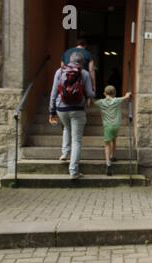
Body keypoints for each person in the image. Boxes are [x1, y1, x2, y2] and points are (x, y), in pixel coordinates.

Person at [49, 52, 95, 180]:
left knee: (66, 128)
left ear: (70, 60)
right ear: (82, 62)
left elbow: (53, 93)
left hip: (61, 108)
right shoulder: (84, 73)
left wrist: (51, 112)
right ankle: (73, 171)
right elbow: (90, 94)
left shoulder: (59, 71)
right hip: (78, 110)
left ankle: (64, 153)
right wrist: (91, 93)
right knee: (77, 140)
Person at [93, 86, 131, 176]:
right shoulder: (116, 100)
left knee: (107, 144)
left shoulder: (100, 102)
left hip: (107, 126)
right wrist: (128, 94)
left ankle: (108, 164)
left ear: (104, 93)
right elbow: (126, 97)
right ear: (114, 94)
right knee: (114, 140)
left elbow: (93, 101)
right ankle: (113, 156)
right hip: (116, 125)